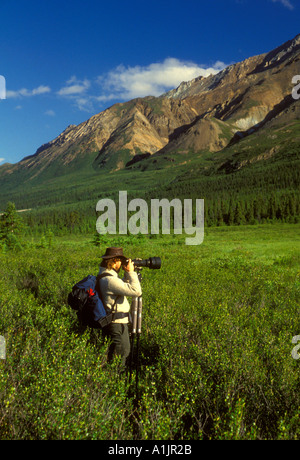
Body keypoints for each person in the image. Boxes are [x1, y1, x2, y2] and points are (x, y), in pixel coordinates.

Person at [96, 247, 142, 369]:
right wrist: (132, 273)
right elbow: (136, 291)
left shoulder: (105, 277)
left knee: (115, 355)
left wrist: (127, 274)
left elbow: (121, 286)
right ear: (114, 261)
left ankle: (112, 379)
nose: (122, 263)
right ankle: (115, 380)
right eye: (120, 260)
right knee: (122, 354)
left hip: (114, 323)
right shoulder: (110, 280)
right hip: (117, 324)